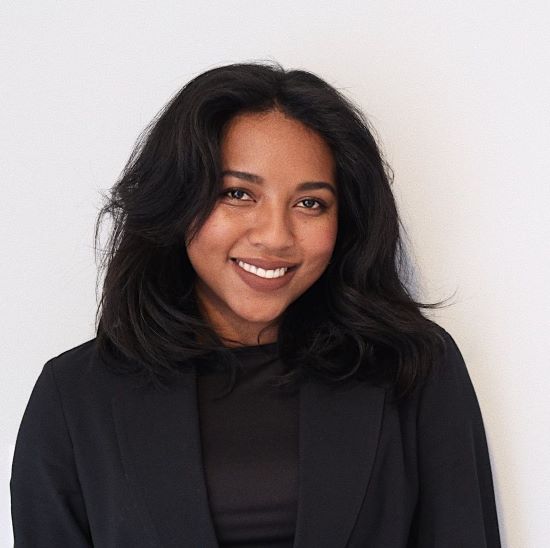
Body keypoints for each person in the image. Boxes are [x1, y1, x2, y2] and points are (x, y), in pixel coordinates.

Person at [10, 61, 501, 547]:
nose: (275, 236)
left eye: (310, 203)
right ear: (177, 201)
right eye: (238, 193)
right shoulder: (75, 398)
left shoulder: (412, 368)